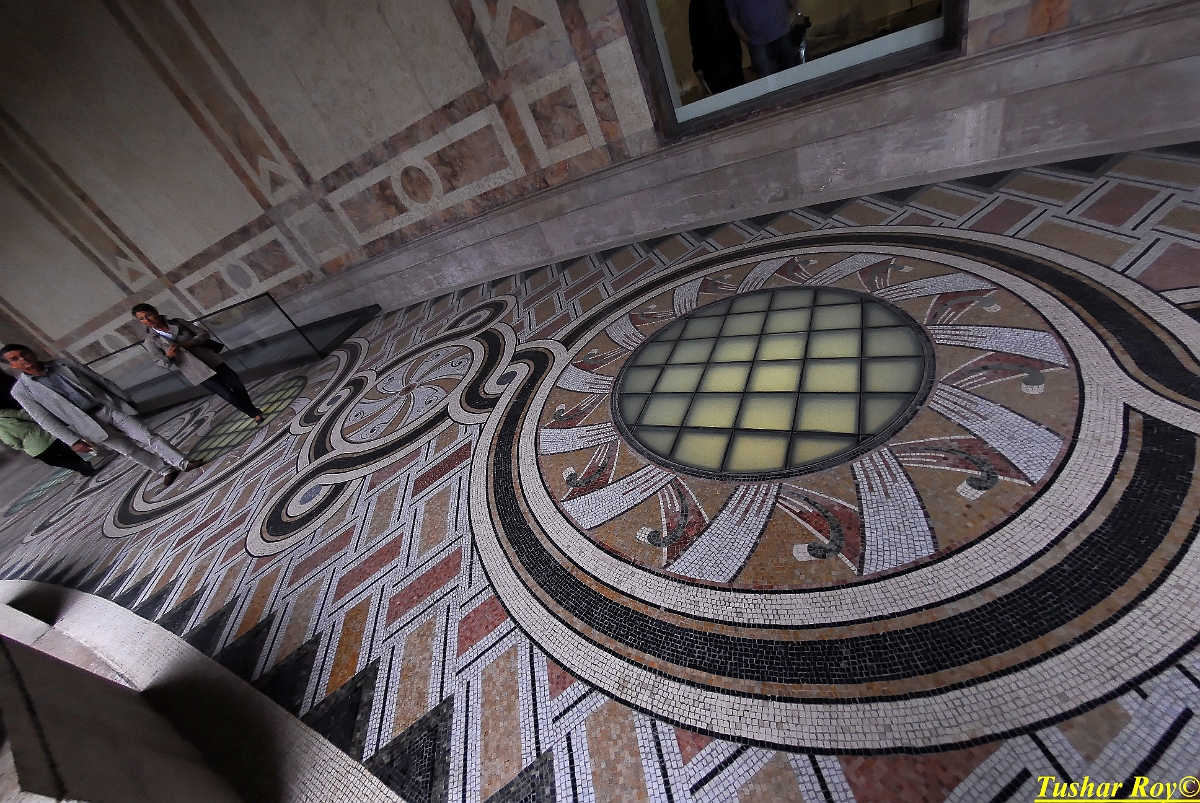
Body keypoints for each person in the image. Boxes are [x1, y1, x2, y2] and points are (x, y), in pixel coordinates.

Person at [2, 344, 200, 487]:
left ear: (32, 351)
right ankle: (164, 469)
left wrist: (124, 398)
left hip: (106, 408)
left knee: (147, 435)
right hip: (85, 424)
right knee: (128, 449)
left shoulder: (64, 364)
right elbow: (43, 419)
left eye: (24, 353)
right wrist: (72, 440)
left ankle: (182, 462)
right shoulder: (21, 391)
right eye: (15, 359)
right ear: (12, 367)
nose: (23, 359)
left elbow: (100, 380)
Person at [133, 304, 264, 423]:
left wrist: (192, 342)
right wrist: (169, 357)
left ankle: (252, 410)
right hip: (195, 370)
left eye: (148, 315)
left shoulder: (178, 322)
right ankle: (253, 413)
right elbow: (160, 362)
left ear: (155, 312)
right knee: (227, 394)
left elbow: (203, 333)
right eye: (142, 319)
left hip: (210, 360)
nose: (147, 320)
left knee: (237, 384)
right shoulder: (150, 341)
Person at [0, 371, 95, 476]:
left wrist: (18, 446)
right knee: (65, 451)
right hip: (46, 433)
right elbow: (27, 415)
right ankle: (83, 465)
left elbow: (10, 439)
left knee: (53, 460)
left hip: (34, 446)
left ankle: (82, 466)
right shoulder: (6, 412)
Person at [725, 0, 802, 79]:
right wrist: (749, 42)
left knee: (792, 77)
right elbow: (733, 19)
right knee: (768, 81)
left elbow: (793, 1)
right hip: (758, 44)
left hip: (784, 36)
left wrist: (800, 17)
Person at [690, 0, 745, 95]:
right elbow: (695, 35)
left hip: (717, 55)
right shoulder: (697, 3)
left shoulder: (696, 3)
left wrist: (697, 64)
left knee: (726, 91)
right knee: (736, 89)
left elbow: (695, 35)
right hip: (720, 55)